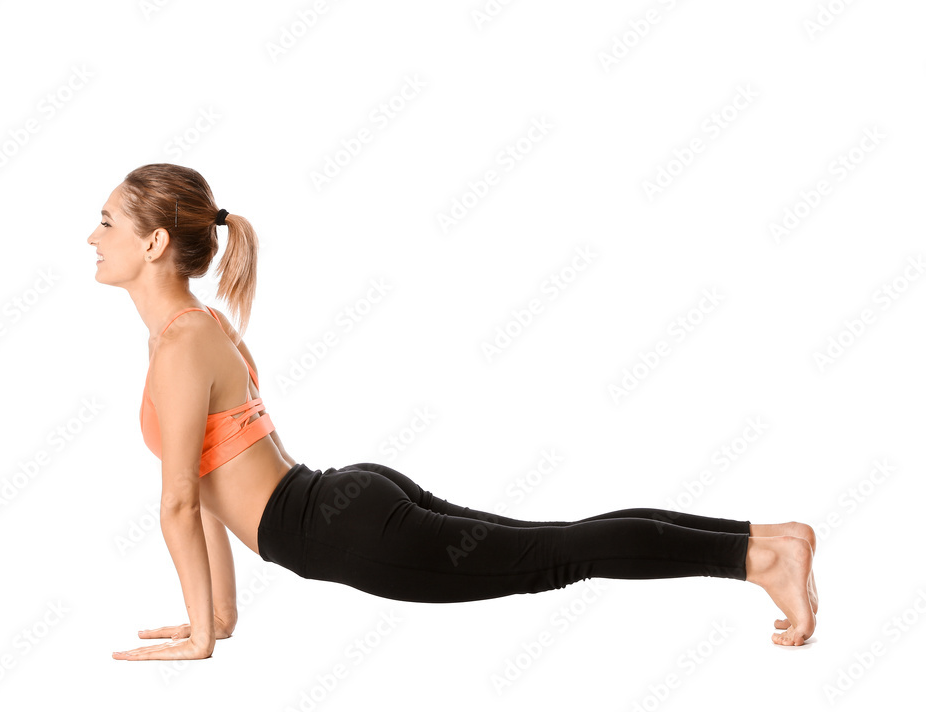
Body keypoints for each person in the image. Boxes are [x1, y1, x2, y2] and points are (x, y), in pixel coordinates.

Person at [91, 164, 817, 661]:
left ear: (153, 243)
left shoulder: (183, 344)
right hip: (344, 503)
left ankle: (756, 560)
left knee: (558, 556)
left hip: (341, 530)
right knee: (558, 543)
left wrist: (202, 640)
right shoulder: (195, 330)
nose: (93, 237)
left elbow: (181, 504)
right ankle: (772, 539)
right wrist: (215, 613)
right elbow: (212, 486)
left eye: (106, 222)